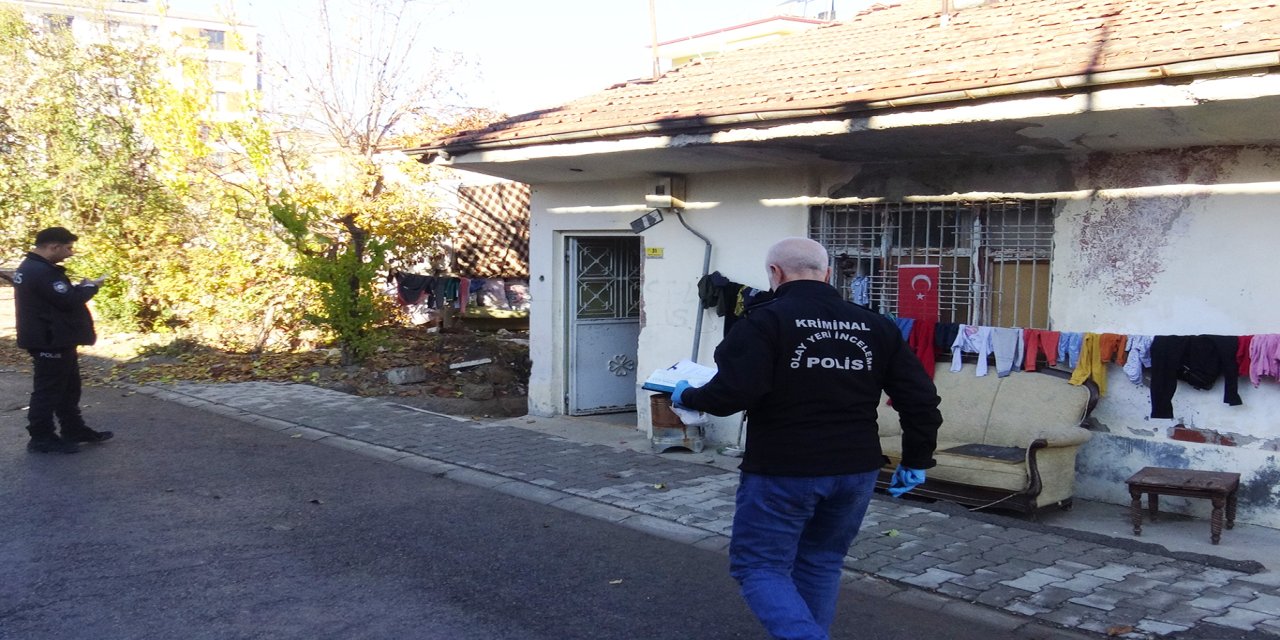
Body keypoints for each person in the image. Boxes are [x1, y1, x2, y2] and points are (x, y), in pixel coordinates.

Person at [671, 237, 942, 640]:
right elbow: (920, 399)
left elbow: (731, 394)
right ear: (827, 274)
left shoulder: (764, 321)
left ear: (774, 273)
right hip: (855, 470)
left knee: (759, 566)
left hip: (784, 470)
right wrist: (917, 459)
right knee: (820, 562)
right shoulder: (875, 324)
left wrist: (687, 396)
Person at [13, 227, 113, 454]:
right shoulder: (41, 271)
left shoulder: (34, 267)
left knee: (68, 388)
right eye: (68, 248)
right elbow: (67, 301)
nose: (70, 253)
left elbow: (56, 297)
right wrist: (91, 287)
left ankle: (73, 429)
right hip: (49, 339)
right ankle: (41, 437)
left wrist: (80, 288)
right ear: (53, 246)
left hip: (55, 337)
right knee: (48, 391)